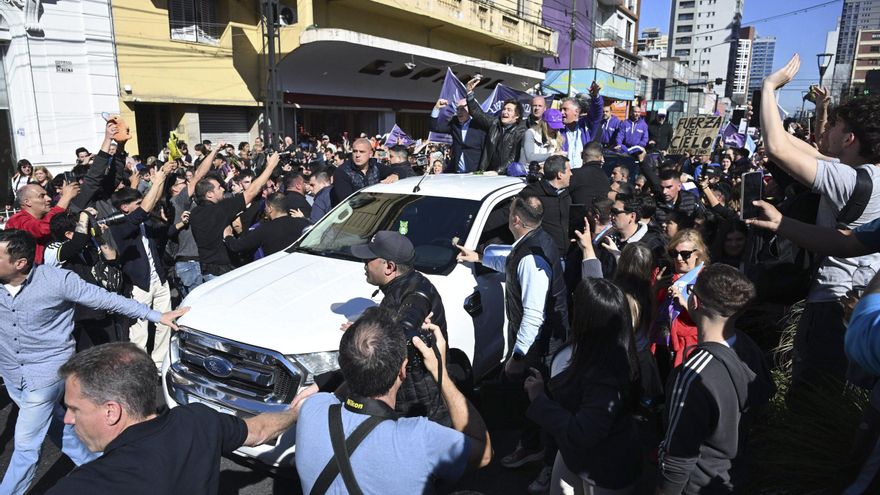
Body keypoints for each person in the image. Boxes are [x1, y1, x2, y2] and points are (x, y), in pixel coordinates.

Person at [0, 229, 187, 495]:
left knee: (26, 447)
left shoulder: (57, 280)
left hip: (45, 375)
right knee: (55, 426)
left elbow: (107, 299)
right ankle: (103, 467)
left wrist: (157, 315)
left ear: (20, 263)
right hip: (11, 373)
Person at [759, 54, 880, 384]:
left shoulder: (850, 179)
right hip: (860, 298)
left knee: (813, 387)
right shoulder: (863, 174)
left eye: (836, 127)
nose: (828, 131)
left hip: (833, 301)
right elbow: (806, 149)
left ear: (850, 138)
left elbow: (778, 149)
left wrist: (769, 87)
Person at [46, 342, 299, 495]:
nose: (67, 419)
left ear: (111, 411)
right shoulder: (199, 420)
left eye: (74, 409)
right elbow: (260, 431)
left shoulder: (84, 485)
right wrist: (298, 410)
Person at [294, 307, 492, 494]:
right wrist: (440, 372)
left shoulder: (312, 409)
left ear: (345, 366)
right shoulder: (420, 438)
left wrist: (358, 360)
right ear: (403, 370)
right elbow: (484, 453)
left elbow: (338, 392)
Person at [456, 195, 569, 473]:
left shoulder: (531, 258)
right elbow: (512, 262)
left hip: (540, 348)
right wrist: (480, 257)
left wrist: (517, 356)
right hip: (543, 343)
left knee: (537, 399)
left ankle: (540, 458)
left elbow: (533, 315)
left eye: (509, 213)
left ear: (515, 220)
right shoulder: (535, 242)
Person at [657, 264, 771, 495]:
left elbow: (678, 458)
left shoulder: (693, 375)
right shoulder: (749, 349)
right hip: (733, 479)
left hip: (697, 486)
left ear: (695, 302)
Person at [524, 279, 642, 495]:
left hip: (605, 469)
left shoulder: (607, 375)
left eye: (577, 303)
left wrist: (540, 399)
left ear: (588, 320)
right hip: (574, 455)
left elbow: (584, 433)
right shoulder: (597, 349)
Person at [107, 163, 174, 368]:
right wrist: (159, 179)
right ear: (124, 207)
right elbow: (146, 206)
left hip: (159, 280)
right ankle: (140, 367)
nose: (144, 204)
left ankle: (159, 362)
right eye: (138, 202)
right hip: (138, 284)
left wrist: (162, 181)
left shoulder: (145, 222)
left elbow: (150, 204)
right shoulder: (119, 226)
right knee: (139, 329)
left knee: (166, 324)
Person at [190, 152, 280, 280]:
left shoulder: (194, 213)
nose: (222, 189)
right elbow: (251, 192)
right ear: (209, 194)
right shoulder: (220, 209)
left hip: (206, 271)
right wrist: (270, 167)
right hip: (223, 272)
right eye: (218, 187)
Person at [654, 229, 710, 370]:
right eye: (674, 253)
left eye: (685, 254)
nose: (678, 258)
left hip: (691, 348)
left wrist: (685, 304)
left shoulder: (706, 280)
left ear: (698, 254)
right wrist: (654, 290)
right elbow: (652, 313)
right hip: (663, 346)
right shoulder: (666, 278)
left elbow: (710, 321)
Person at [5, 182, 79, 264]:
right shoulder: (17, 220)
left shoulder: (45, 216)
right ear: (27, 202)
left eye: (47, 195)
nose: (49, 198)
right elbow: (42, 229)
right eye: (42, 196)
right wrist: (65, 198)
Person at [464, 78, 527, 174]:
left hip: (504, 176)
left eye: (509, 110)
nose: (505, 112)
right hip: (486, 173)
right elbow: (477, 113)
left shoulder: (520, 132)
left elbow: (513, 157)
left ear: (517, 116)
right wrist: (469, 92)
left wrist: (498, 171)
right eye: (504, 109)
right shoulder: (494, 123)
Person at [223, 192, 309, 259]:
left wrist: (228, 235)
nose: (264, 209)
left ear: (270, 208)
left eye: (266, 207)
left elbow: (237, 246)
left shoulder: (264, 229)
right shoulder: (303, 223)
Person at [522, 155, 573, 259]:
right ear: (560, 175)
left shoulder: (566, 193)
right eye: (569, 171)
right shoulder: (532, 193)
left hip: (569, 256)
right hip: (545, 258)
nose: (571, 174)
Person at [330, 138, 398, 206]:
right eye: (355, 151)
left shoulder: (375, 166)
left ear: (370, 154)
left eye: (362, 152)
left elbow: (402, 170)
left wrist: (395, 175)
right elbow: (348, 202)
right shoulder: (342, 172)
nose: (357, 155)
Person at [429, 98, 486, 173]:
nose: (459, 112)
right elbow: (434, 127)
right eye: (458, 109)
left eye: (462, 108)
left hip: (475, 175)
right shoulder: (454, 123)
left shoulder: (480, 125)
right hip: (457, 174)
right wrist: (436, 108)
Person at [560, 83, 603, 169]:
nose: (561, 113)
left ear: (576, 111)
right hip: (565, 175)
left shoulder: (586, 126)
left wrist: (595, 97)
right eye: (561, 109)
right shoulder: (558, 130)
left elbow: (597, 112)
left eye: (565, 109)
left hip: (583, 174)